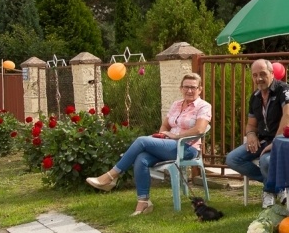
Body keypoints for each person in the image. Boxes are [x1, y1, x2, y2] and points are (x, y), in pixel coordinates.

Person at [86, 73, 212, 216]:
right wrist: (163, 136)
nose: (189, 90)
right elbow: (165, 125)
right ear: (181, 88)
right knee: (142, 158)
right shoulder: (176, 104)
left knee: (141, 140)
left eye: (193, 87)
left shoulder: (204, 106)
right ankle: (144, 202)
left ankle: (111, 176)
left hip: (187, 148)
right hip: (169, 145)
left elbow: (199, 129)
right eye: (186, 87)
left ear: (200, 89)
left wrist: (176, 136)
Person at [226, 59, 289, 208]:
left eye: (263, 74)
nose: (259, 78)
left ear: (272, 73)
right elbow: (251, 124)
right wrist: (250, 134)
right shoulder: (255, 97)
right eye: (255, 75)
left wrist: (276, 142)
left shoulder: (284, 89)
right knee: (232, 159)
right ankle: (276, 184)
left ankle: (269, 191)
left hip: (285, 140)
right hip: (263, 140)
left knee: (266, 161)